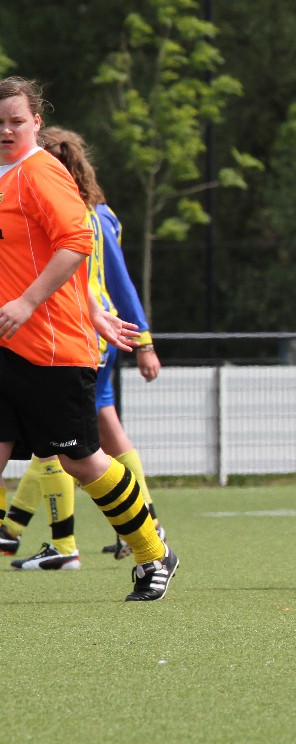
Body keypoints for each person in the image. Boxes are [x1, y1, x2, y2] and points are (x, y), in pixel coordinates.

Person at [0, 76, 176, 601]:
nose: (6, 130)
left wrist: (34, 303)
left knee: (81, 459)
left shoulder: (40, 172)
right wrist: (93, 307)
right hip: (6, 345)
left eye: (16, 120)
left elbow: (78, 242)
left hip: (51, 348)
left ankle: (153, 553)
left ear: (36, 122)